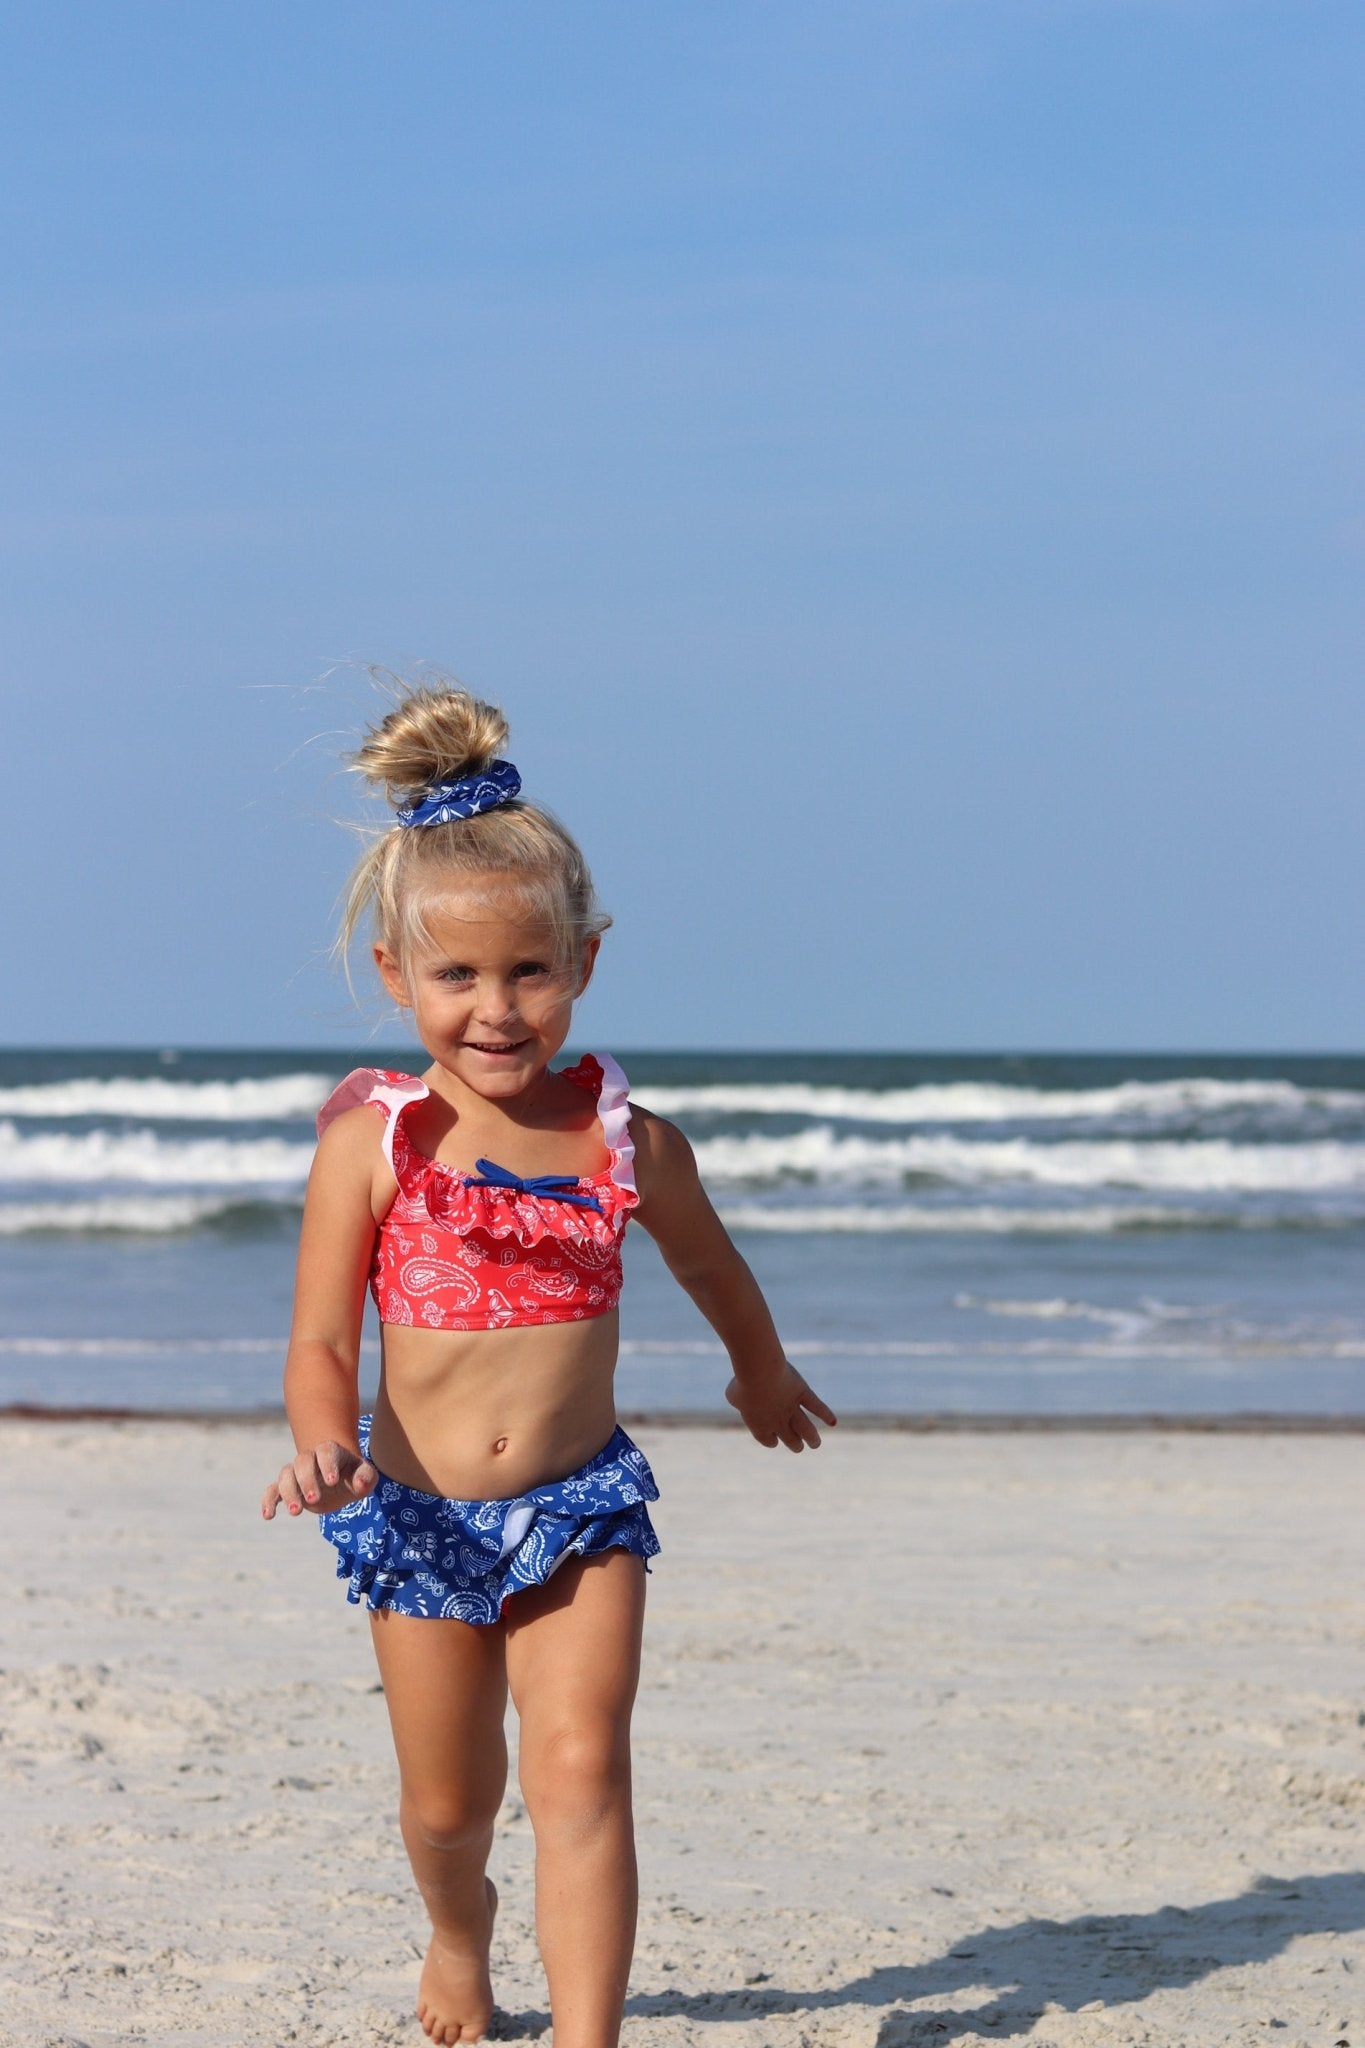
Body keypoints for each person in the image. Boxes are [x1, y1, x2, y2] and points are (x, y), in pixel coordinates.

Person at [261, 682, 836, 2048]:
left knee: (581, 1771)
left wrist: (759, 1371)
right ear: (398, 977)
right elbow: (320, 1333)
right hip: (412, 1515)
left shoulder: (628, 1142)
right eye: (457, 977)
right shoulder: (376, 1141)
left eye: (530, 971)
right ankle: (458, 1942)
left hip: (580, 1508)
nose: (497, 1009)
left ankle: (590, 2038)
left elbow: (708, 1267)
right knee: (448, 1808)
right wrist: (320, 1435)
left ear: (584, 959)